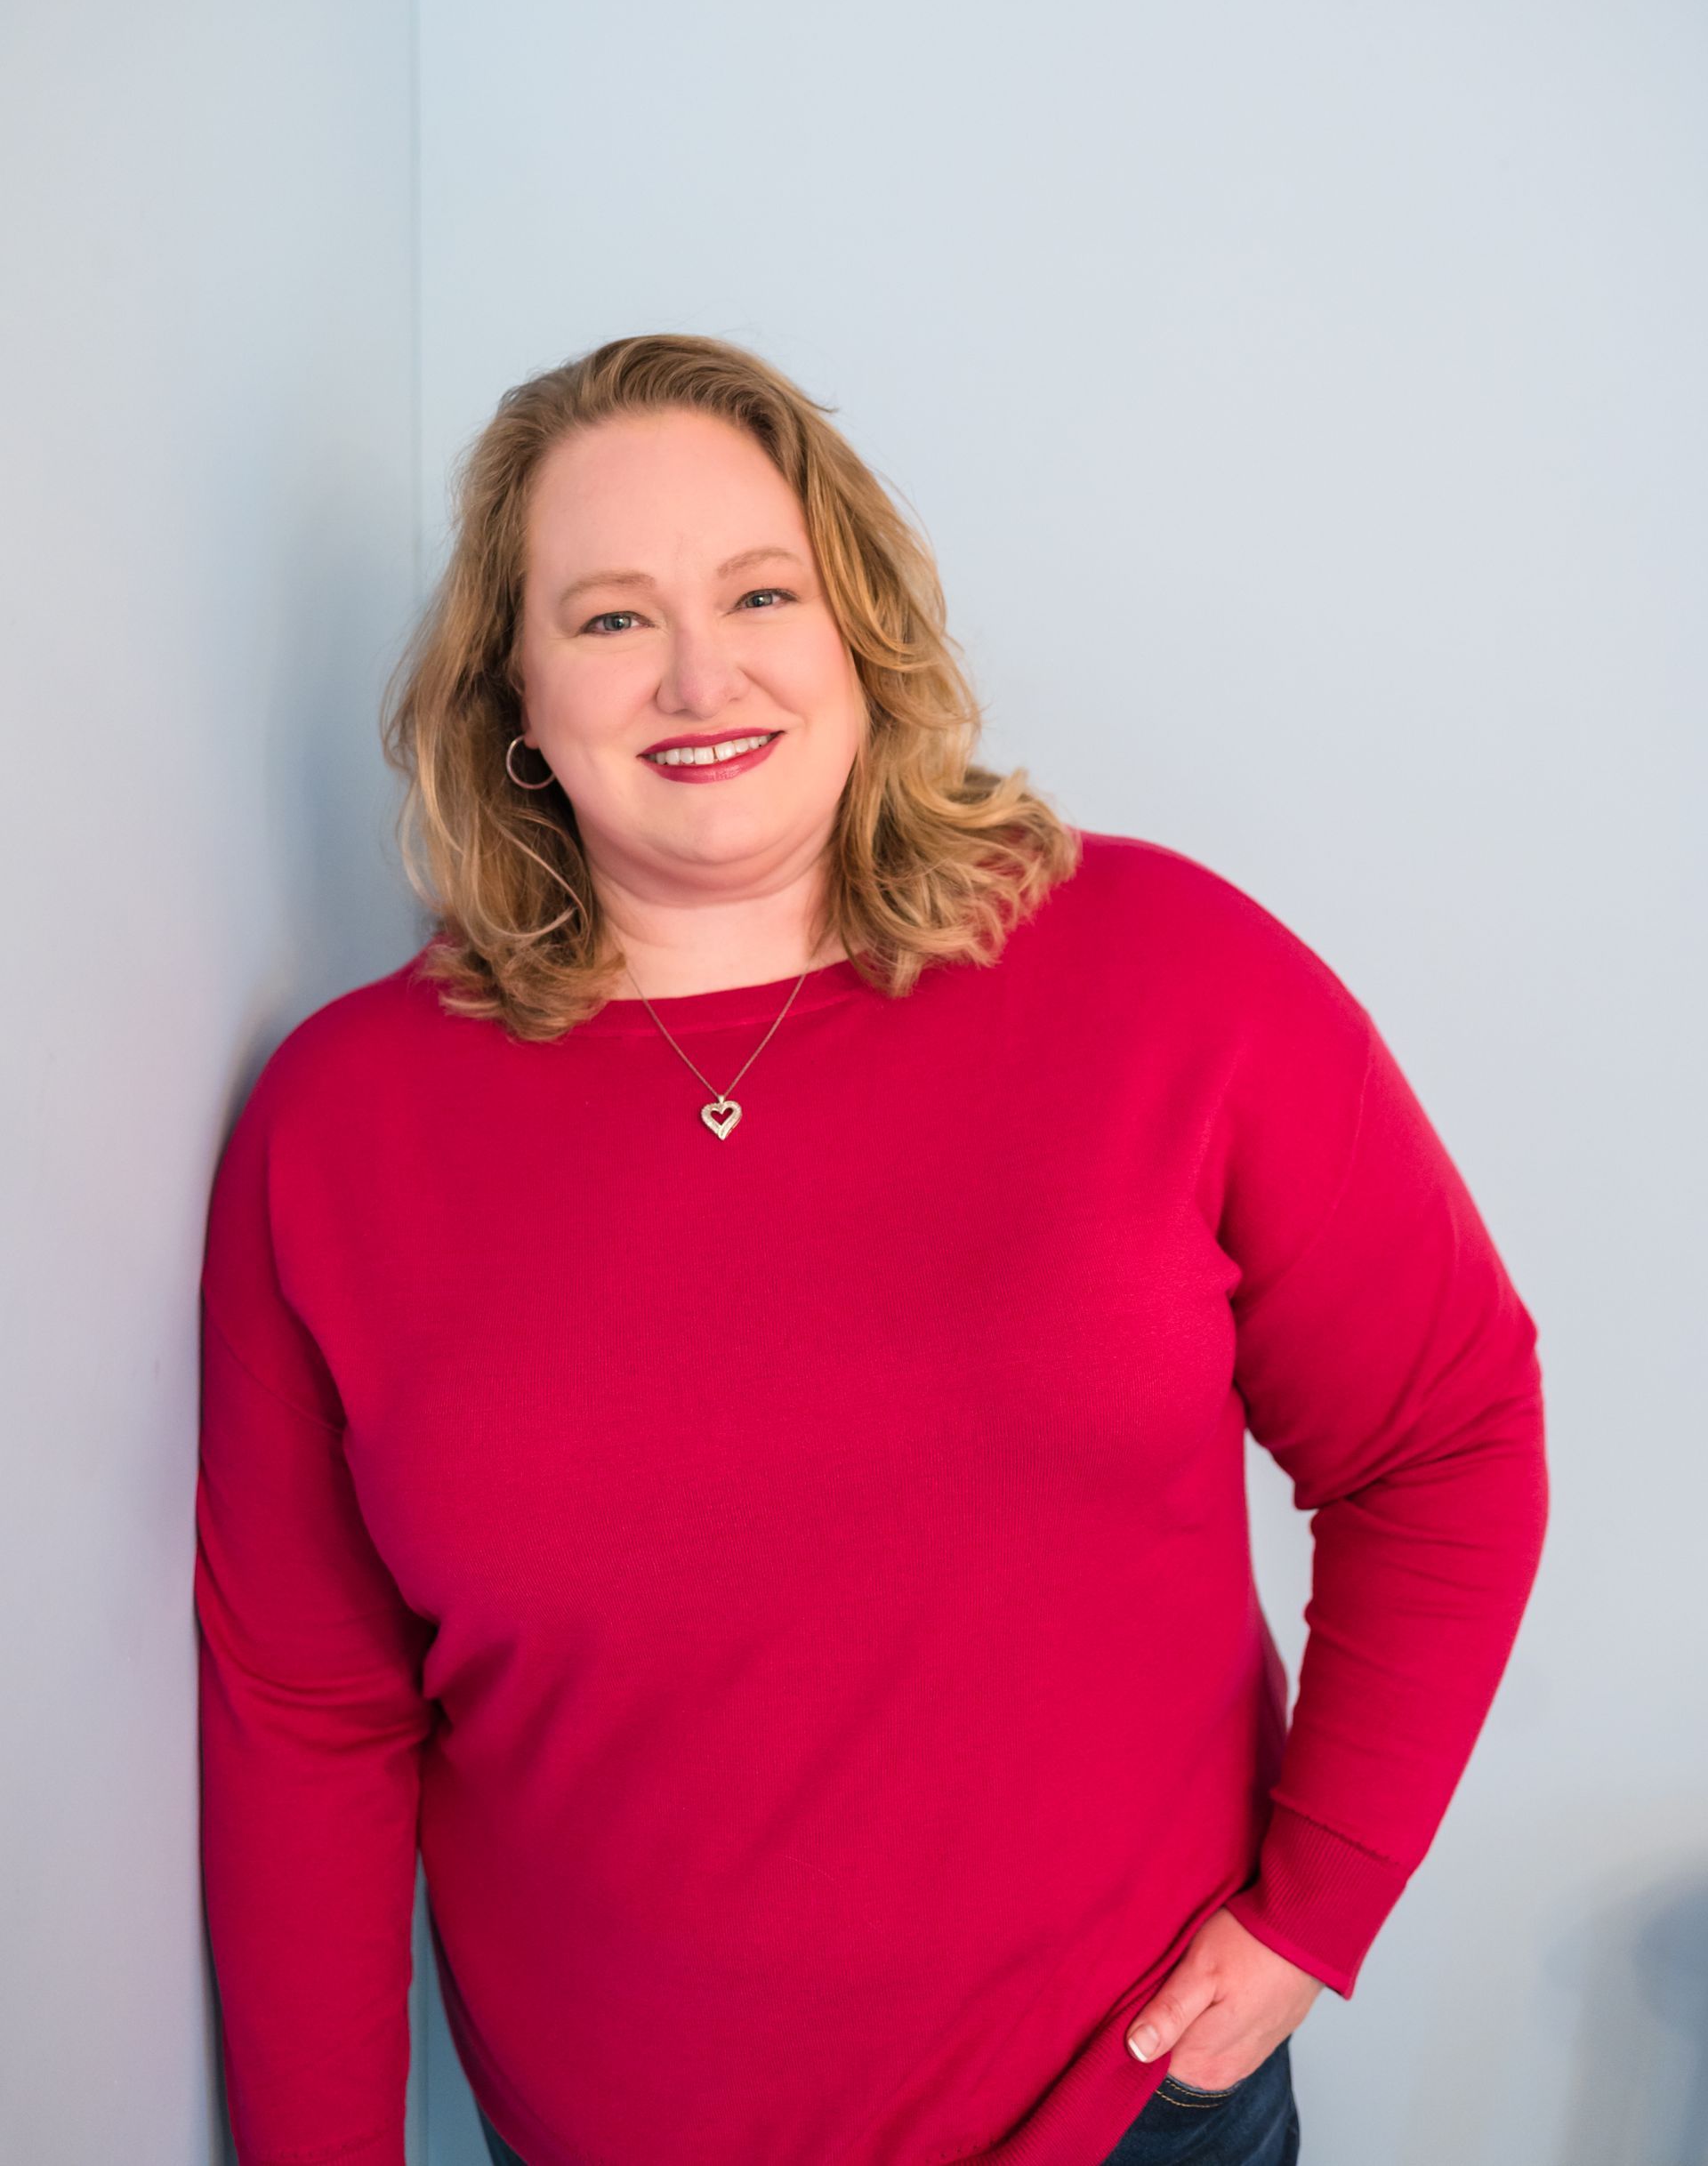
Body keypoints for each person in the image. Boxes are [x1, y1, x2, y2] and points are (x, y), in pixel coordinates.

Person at [194, 332, 1550, 2166]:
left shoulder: (1166, 975)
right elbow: (309, 1713)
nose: (700, 670)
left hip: (1127, 2117)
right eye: (606, 618)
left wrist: (1321, 1908)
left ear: (859, 635)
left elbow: (1441, 1433)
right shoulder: (339, 1123)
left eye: (762, 590)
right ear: (510, 692)